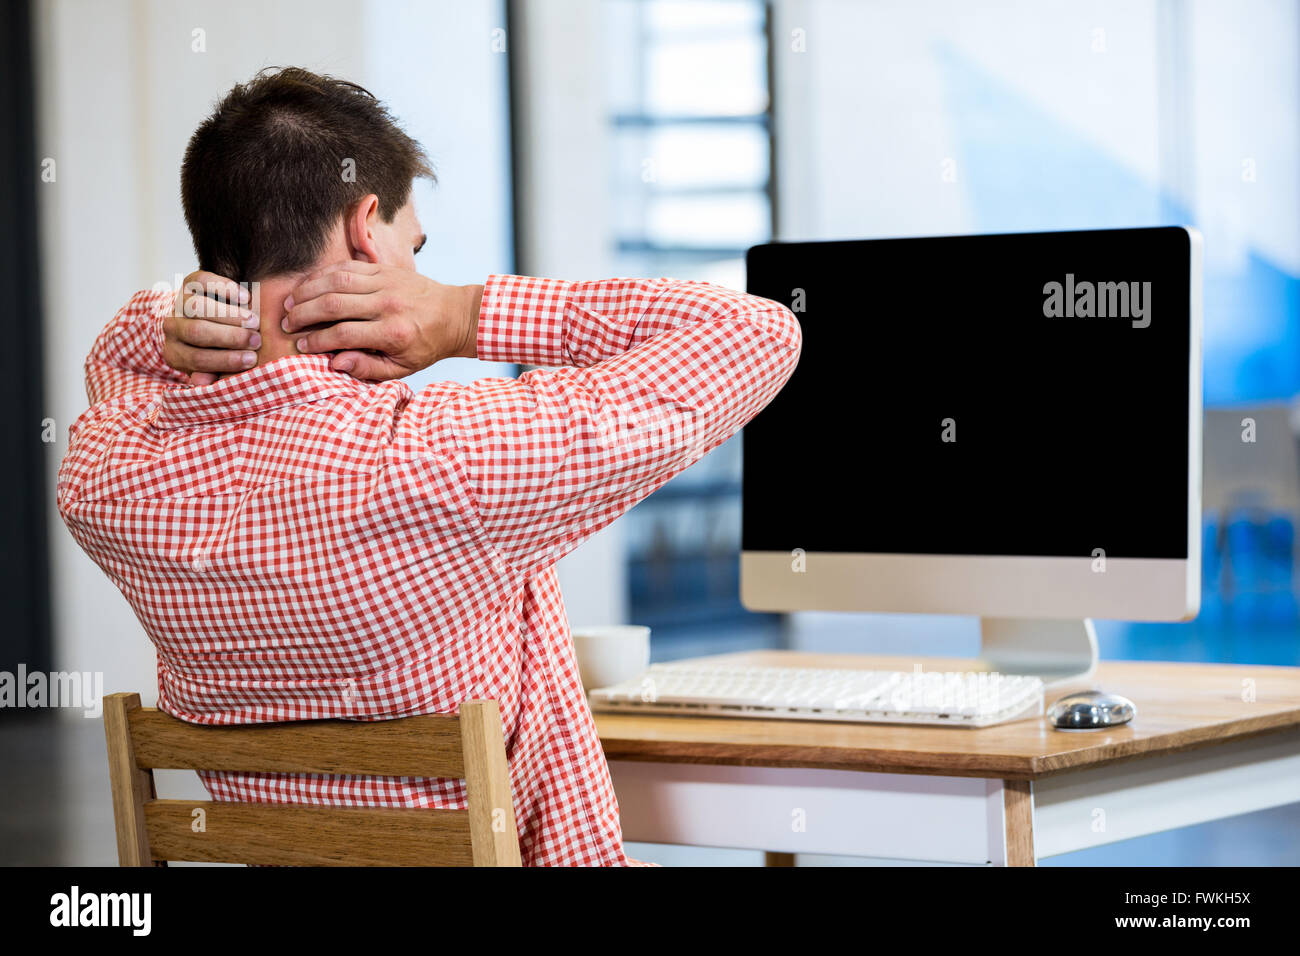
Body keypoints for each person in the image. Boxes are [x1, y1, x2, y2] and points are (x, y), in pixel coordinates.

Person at [57, 67, 801, 865]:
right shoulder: (441, 459)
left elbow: (117, 358)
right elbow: (758, 333)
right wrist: (462, 314)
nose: (416, 273)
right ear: (364, 231)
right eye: (415, 248)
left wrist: (189, 313)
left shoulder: (112, 477)